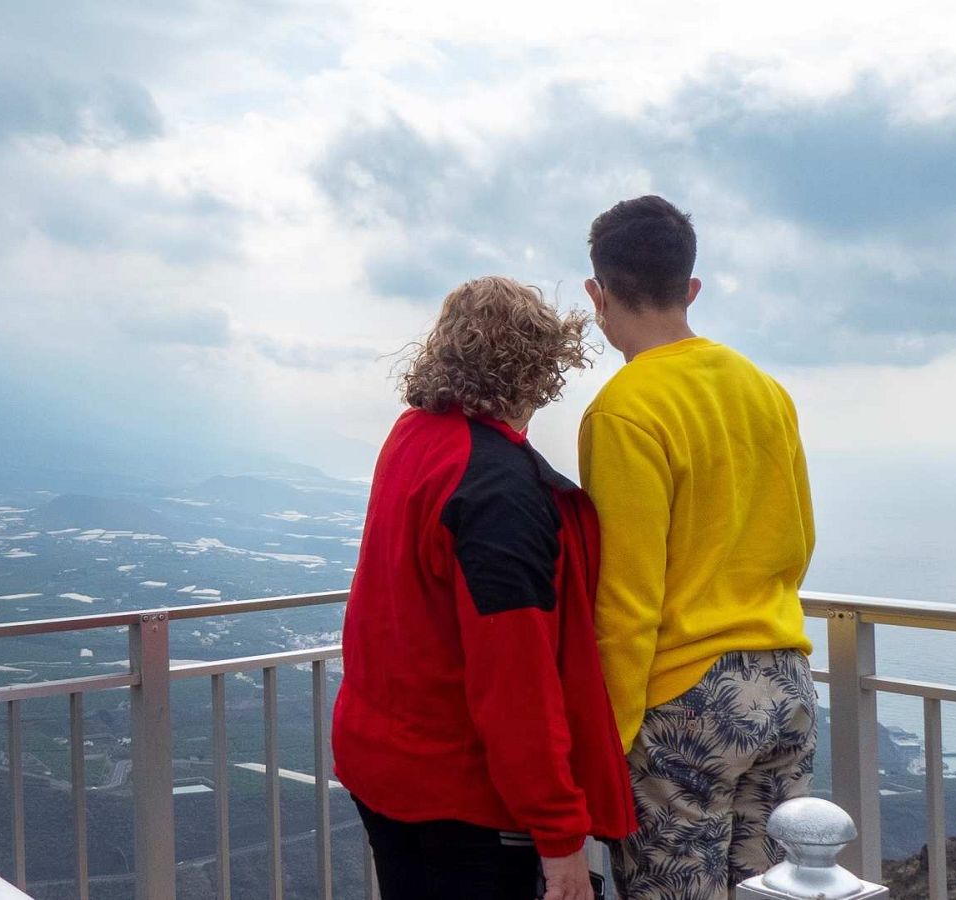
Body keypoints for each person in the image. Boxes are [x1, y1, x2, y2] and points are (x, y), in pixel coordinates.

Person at [333, 276, 639, 900]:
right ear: (539, 369)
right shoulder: (497, 490)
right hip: (463, 797)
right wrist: (560, 843)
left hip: (381, 764)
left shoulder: (414, 433)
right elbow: (515, 681)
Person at [577, 196, 818, 900]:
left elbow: (627, 598)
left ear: (598, 293)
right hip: (784, 682)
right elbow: (799, 539)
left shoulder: (626, 409)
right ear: (690, 288)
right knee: (775, 890)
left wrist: (607, 742)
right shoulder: (765, 390)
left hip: (687, 703)